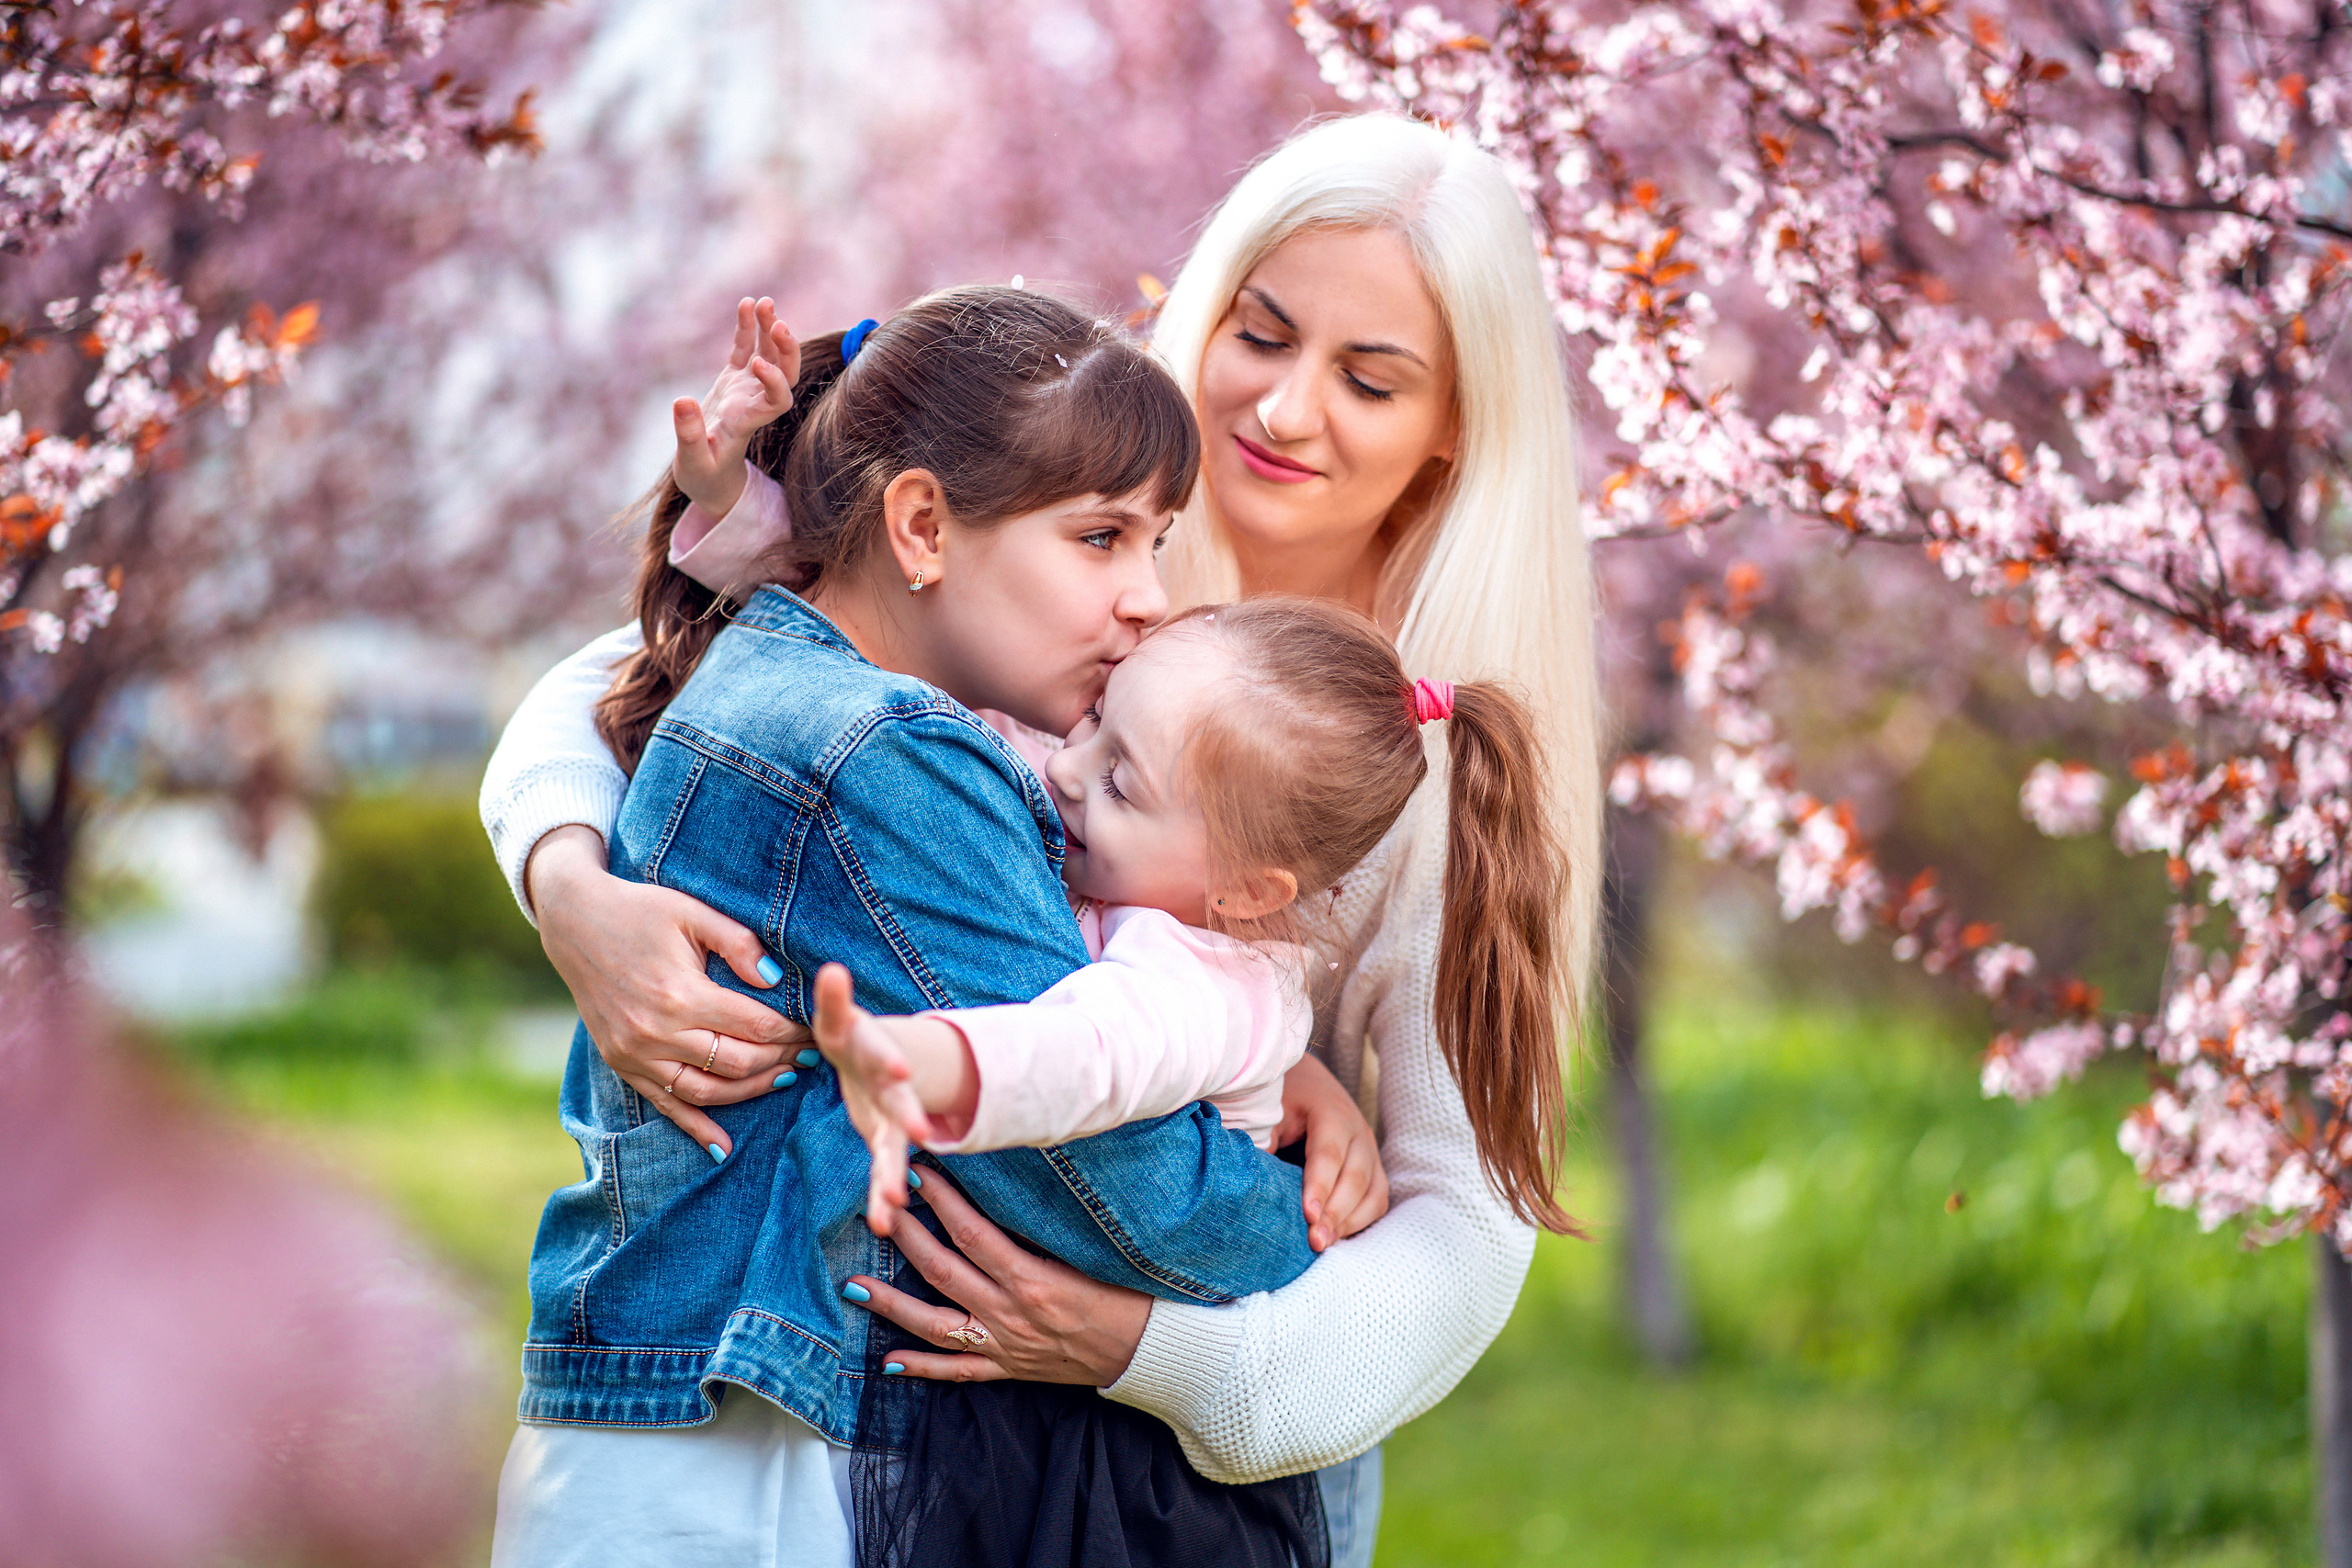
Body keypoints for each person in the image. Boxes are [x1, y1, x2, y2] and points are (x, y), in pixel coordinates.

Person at [481, 111, 1602, 1565]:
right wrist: (575, 885)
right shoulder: (1055, 548)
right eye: (1262, 334)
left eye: (1368, 379)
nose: (1284, 408)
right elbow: (664, 675)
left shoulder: (1433, 748)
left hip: (1226, 1425)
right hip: (931, 1416)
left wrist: (1161, 1343)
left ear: (1453, 424)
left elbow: (1460, 1233)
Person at [488, 286, 1344, 1568]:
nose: (1150, 599)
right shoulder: (887, 750)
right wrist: (1303, 1224)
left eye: (1159, 543)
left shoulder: (789, 672)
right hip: (731, 1476)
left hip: (678, 1431)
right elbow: (1094, 1174)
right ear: (923, 527)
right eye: (1102, 538)